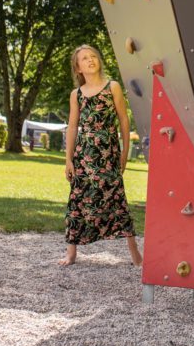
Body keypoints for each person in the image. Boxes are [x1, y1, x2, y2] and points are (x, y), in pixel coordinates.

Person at [59, 44, 142, 267]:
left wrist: (125, 151)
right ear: (78, 68)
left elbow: (124, 120)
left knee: (117, 197)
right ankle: (71, 253)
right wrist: (68, 159)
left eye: (93, 56)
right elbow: (73, 126)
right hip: (83, 155)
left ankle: (135, 253)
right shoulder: (76, 94)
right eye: (85, 58)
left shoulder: (112, 86)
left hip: (108, 153)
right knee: (77, 198)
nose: (90, 60)